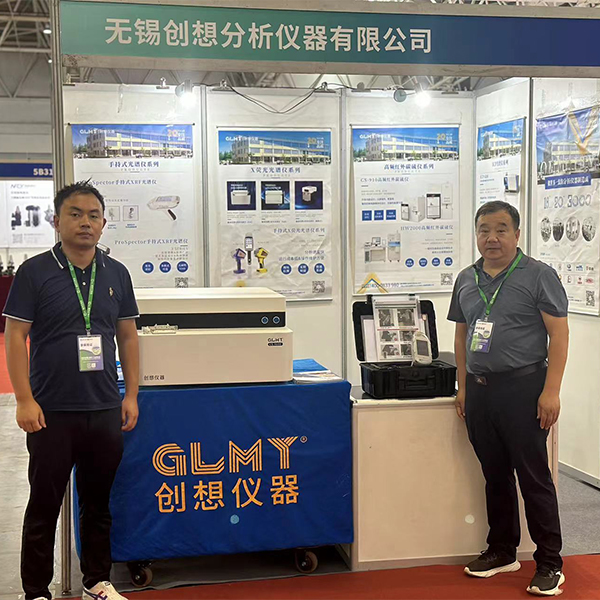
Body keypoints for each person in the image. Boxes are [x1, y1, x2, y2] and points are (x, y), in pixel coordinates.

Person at [4, 181, 140, 600]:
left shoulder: (116, 273)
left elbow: (128, 336)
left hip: (103, 407)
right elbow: (14, 335)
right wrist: (24, 399)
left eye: (93, 215)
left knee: (98, 503)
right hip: (50, 410)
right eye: (75, 214)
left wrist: (130, 395)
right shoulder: (34, 272)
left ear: (103, 223)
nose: (85, 222)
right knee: (44, 505)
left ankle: (97, 581)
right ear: (57, 220)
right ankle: (35, 591)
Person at [448, 201, 569, 597]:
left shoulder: (538, 275)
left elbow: (559, 334)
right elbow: (462, 335)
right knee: (495, 475)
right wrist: (463, 388)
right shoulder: (466, 278)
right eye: (484, 230)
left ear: (517, 234)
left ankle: (550, 563)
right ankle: (502, 550)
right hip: (480, 391)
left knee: (534, 477)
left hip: (524, 388)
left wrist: (551, 391)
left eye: (501, 229)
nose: (492, 238)